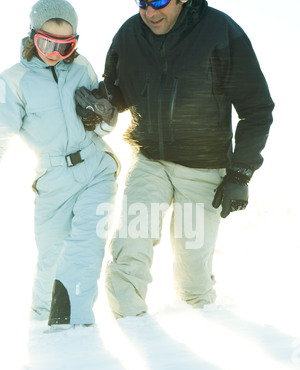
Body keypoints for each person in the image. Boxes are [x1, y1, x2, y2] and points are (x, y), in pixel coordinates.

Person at [75, 0, 274, 319]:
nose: (149, 12)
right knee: (131, 245)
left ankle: (199, 331)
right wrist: (102, 102)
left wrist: (239, 174)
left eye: (158, 2)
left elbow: (257, 109)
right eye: (142, 3)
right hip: (150, 161)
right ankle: (130, 324)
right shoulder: (130, 33)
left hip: (203, 168)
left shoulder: (221, 31)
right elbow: (118, 89)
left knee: (193, 274)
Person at [0, 0, 119, 329]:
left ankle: (77, 325)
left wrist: (103, 114)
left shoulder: (82, 67)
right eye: (46, 43)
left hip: (96, 168)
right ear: (31, 38)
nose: (54, 52)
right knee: (51, 257)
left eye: (66, 46)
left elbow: (106, 124)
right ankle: (43, 323)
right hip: (52, 178)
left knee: (86, 245)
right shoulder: (14, 80)